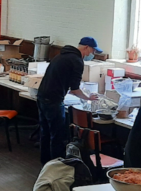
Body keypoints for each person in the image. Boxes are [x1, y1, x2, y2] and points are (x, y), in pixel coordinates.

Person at [35, 36, 101, 164]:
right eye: (92, 51)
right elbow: (75, 89)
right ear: (86, 47)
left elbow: (69, 87)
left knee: (45, 133)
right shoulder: (76, 61)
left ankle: (45, 164)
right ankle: (56, 167)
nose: (92, 54)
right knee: (58, 136)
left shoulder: (61, 56)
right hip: (54, 100)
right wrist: (88, 98)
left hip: (42, 96)